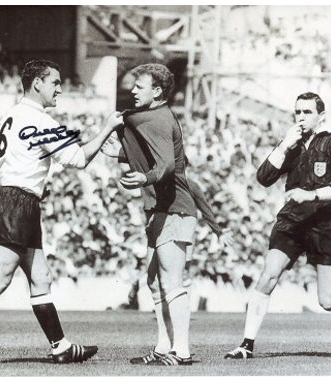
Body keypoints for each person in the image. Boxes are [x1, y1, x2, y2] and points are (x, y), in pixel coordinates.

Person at [0, 59, 123, 365]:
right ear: (37, 84)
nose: (60, 88)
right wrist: (108, 127)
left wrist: (21, 188)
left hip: (15, 199)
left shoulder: (10, 117)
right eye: (55, 82)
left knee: (40, 277)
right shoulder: (39, 120)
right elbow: (78, 158)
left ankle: (60, 346)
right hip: (18, 203)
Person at [225, 92, 331, 359]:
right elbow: (264, 177)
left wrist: (312, 194)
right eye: (297, 112)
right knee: (268, 275)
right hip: (293, 222)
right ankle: (246, 345)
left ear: (321, 116)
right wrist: (284, 146)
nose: (301, 117)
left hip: (326, 224)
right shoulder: (292, 143)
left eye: (307, 112)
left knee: (328, 301)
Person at [101, 63, 200, 366]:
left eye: (138, 86)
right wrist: (119, 154)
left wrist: (144, 179)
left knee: (170, 280)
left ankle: (180, 351)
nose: (132, 90)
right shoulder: (158, 116)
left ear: (157, 92)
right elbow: (156, 156)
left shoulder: (157, 118)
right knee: (154, 280)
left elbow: (167, 164)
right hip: (162, 208)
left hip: (174, 207)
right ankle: (163, 346)